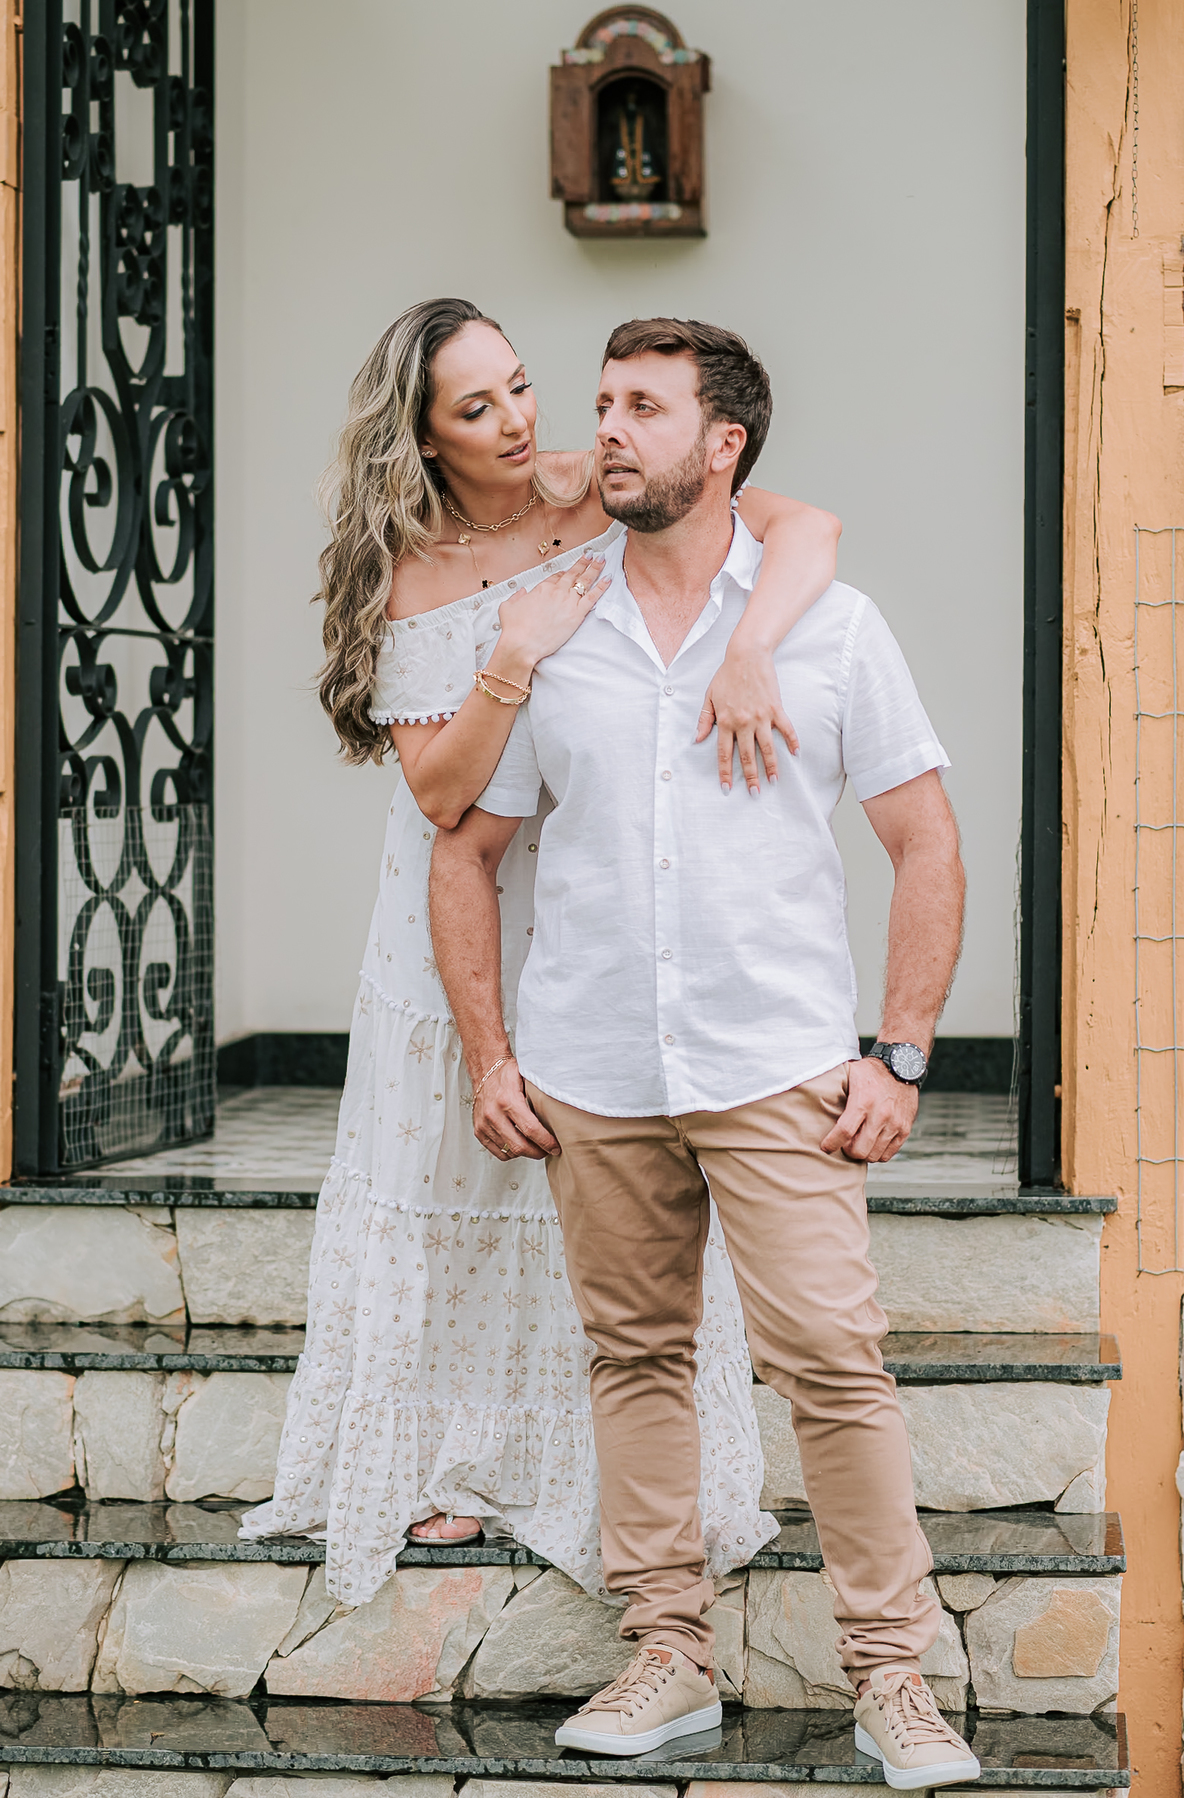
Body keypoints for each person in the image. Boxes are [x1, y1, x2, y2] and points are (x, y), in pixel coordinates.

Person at [428, 317, 979, 1791]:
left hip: (775, 1067)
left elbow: (926, 841)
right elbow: (463, 848)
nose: (607, 429)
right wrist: (491, 1053)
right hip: (594, 1069)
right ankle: (667, 1652)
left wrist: (900, 1053)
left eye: (645, 408)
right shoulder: (552, 627)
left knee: (835, 1367)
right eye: (602, 402)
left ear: (723, 444)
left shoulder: (830, 627)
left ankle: (894, 1677)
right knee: (635, 1361)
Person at [240, 298, 843, 1606]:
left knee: (600, 1186)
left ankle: (603, 1457)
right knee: (462, 1171)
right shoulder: (411, 570)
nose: (519, 420)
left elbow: (807, 529)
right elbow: (441, 795)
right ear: (423, 438)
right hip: (456, 906)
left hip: (595, 893)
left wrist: (750, 646)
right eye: (478, 407)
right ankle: (449, 1455)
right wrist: (513, 654)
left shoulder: (592, 484)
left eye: (518, 384)